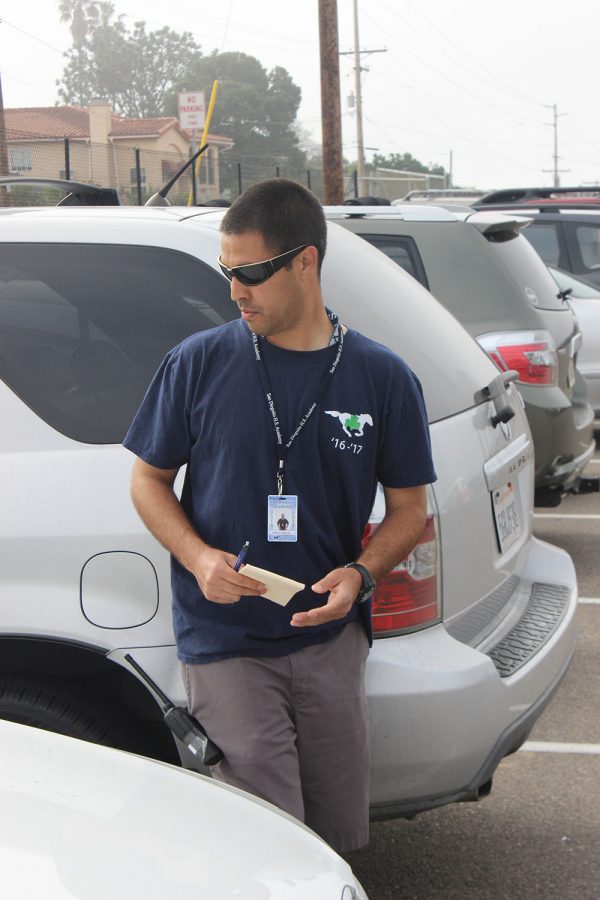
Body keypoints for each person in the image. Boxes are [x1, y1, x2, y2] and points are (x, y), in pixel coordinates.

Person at [123, 178, 436, 853]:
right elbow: (148, 480)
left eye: (251, 273)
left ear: (305, 262)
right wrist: (198, 557)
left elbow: (410, 510)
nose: (236, 290)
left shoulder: (382, 377)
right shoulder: (198, 363)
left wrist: (361, 570)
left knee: (340, 837)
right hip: (226, 637)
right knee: (269, 837)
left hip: (330, 638)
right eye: (227, 272)